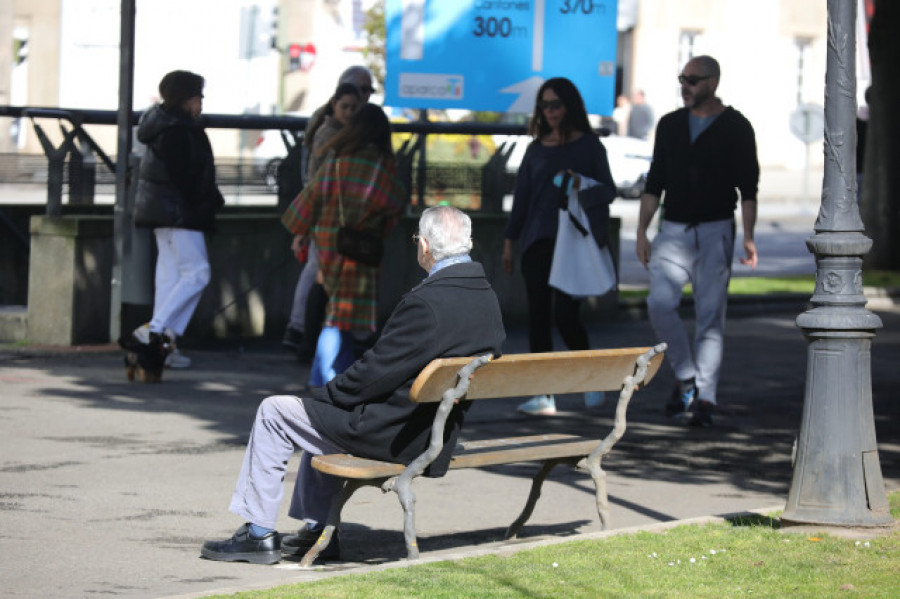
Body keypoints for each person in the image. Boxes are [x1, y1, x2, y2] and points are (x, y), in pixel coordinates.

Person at [200, 205, 506, 565]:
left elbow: (373, 373)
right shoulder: (486, 297)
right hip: (432, 432)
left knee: (274, 412)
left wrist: (325, 396)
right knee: (321, 415)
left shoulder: (427, 302)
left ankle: (258, 534)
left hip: (393, 434)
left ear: (424, 245)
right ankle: (319, 531)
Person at [635, 55, 759, 427]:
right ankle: (685, 375)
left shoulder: (736, 126)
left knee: (709, 318)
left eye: (692, 79)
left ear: (713, 81)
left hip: (715, 229)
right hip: (672, 229)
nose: (685, 85)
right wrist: (642, 230)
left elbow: (748, 189)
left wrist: (749, 237)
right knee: (659, 303)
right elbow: (655, 181)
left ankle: (706, 397)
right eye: (681, 79)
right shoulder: (670, 125)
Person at [502, 77, 617, 416]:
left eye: (555, 104)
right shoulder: (536, 149)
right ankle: (543, 394)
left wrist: (582, 183)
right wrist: (510, 242)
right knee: (538, 317)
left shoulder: (590, 147)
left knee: (566, 316)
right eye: (544, 105)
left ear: (570, 106)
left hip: (573, 243)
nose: (549, 111)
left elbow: (608, 191)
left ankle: (590, 378)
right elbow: (521, 199)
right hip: (537, 241)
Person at [282, 103, 404, 387]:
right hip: (359, 248)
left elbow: (307, 201)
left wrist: (301, 232)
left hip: (327, 242)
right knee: (343, 316)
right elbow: (394, 203)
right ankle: (325, 377)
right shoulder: (380, 165)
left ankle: (332, 376)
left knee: (335, 310)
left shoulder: (335, 162)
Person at [130, 70, 224, 369]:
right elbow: (186, 178)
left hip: (163, 213)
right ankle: (153, 331)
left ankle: (162, 347)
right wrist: (208, 201)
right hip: (181, 214)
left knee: (170, 280)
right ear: (186, 100)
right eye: (198, 97)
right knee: (198, 273)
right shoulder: (179, 131)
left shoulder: (163, 126)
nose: (201, 103)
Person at [282, 66, 376, 363]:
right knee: (320, 275)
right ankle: (302, 332)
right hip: (329, 215)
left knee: (318, 274)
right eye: (362, 93)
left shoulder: (329, 128)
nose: (355, 107)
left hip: (328, 214)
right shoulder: (332, 134)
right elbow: (320, 180)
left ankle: (302, 332)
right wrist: (305, 225)